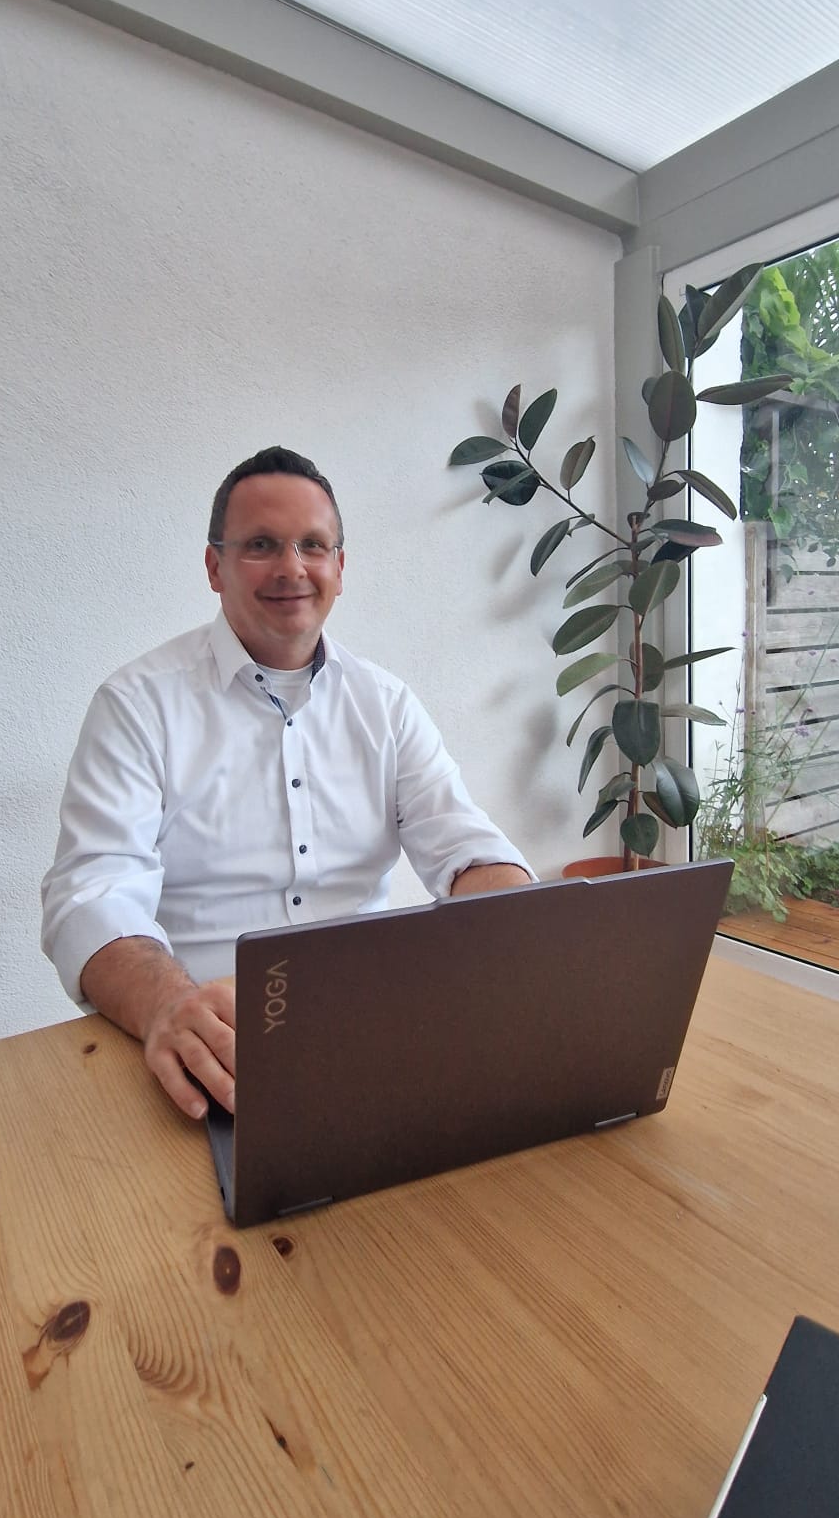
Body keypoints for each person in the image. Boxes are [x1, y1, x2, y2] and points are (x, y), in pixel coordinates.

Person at [40, 445, 534, 1120]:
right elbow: (90, 894)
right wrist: (167, 1006)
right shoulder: (137, 705)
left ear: (339, 566)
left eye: (313, 545)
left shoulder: (385, 704)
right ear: (215, 567)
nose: (291, 568)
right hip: (211, 1043)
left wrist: (526, 927)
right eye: (261, 545)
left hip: (373, 1035)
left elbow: (465, 843)